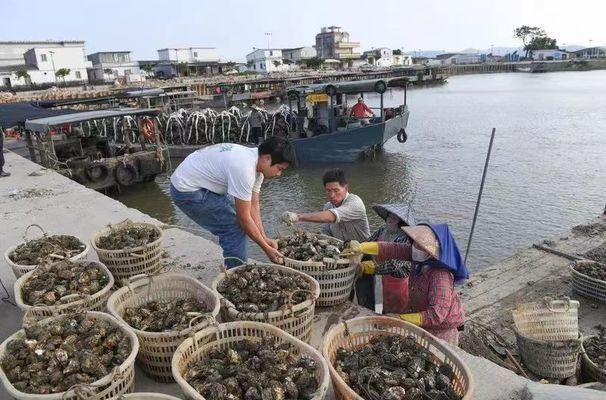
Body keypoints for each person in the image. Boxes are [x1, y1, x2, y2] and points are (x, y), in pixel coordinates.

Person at [170, 137, 295, 268]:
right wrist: (266, 249)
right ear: (267, 158)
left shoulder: (256, 165)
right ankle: (236, 271)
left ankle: (236, 266)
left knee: (240, 218)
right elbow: (244, 219)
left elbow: (253, 206)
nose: (279, 174)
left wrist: (265, 238)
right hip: (186, 189)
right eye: (279, 168)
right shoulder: (245, 169)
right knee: (234, 228)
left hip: (202, 183)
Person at [347, 223, 469, 346]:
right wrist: (361, 247)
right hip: (420, 319)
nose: (415, 248)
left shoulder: (440, 275)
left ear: (433, 250)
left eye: (421, 246)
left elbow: (436, 315)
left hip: (441, 331)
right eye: (415, 243)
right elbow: (392, 248)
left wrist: (401, 319)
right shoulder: (420, 258)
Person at [281, 169, 374, 309]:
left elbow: (332, 216)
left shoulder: (355, 203)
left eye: (336, 190)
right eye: (328, 191)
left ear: (346, 188)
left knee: (364, 295)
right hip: (341, 255)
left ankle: (370, 320)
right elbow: (326, 234)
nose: (332, 195)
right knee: (343, 294)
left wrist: (298, 217)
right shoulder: (327, 206)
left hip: (363, 254)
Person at [367, 204, 416, 314]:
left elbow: (394, 264)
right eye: (389, 216)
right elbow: (369, 242)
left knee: (397, 312)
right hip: (382, 277)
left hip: (398, 281)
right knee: (382, 306)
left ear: (401, 222)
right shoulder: (382, 230)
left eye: (395, 218)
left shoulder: (406, 239)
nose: (390, 220)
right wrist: (358, 248)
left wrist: (371, 268)